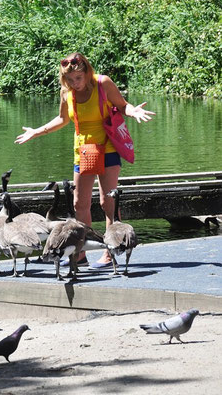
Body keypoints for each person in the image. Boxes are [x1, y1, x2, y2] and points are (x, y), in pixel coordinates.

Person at [14, 52, 154, 269]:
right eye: (69, 80)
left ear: (87, 72)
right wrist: (36, 132)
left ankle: (110, 250)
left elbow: (123, 105)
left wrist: (133, 111)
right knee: (80, 203)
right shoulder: (66, 92)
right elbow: (62, 119)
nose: (74, 83)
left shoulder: (103, 83)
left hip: (108, 147)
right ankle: (80, 253)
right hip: (84, 152)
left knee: (108, 201)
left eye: (77, 78)